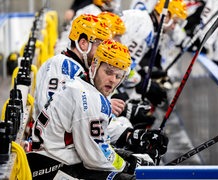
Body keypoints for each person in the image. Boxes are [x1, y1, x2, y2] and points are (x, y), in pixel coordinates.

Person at [29, 39, 168, 179]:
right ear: (95, 65)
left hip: (54, 161)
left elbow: (99, 143)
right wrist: (129, 164)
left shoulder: (84, 86)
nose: (113, 80)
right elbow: (95, 158)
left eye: (118, 76)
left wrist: (132, 140)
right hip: (49, 169)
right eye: (108, 72)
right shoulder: (87, 97)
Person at [119, 0, 188, 107]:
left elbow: (127, 63)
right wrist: (143, 83)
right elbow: (120, 64)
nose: (174, 27)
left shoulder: (146, 23)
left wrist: (142, 72)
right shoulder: (145, 28)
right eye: (174, 22)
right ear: (165, 16)